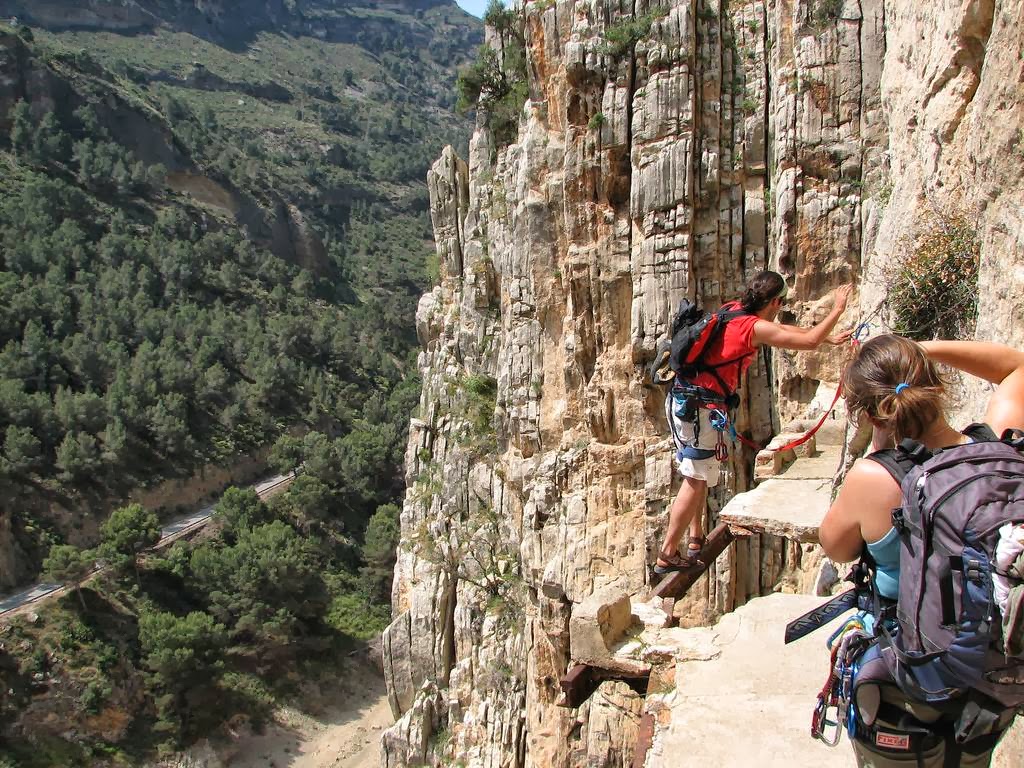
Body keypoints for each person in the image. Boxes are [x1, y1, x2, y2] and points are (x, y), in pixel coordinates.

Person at [820, 335, 1024, 766]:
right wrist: (920, 348)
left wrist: (879, 455)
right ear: (934, 384)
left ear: (872, 414)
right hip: (992, 681)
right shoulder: (1000, 448)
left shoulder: (874, 478)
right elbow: (1015, 368)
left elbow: (835, 547)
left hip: (909, 682)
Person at [654, 271, 853, 574]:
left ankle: (695, 538)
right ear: (774, 301)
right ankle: (667, 553)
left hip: (683, 401)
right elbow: (806, 342)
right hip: (700, 410)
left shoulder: (733, 310)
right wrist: (838, 309)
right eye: (780, 303)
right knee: (696, 478)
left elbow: (785, 331)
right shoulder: (754, 327)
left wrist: (825, 336)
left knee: (696, 471)